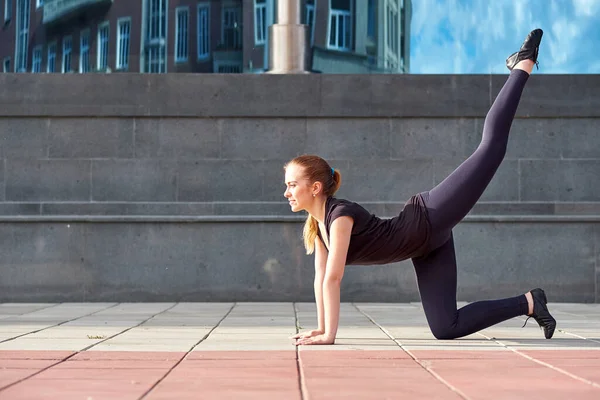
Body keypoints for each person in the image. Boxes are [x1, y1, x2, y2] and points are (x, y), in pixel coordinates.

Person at [284, 29, 557, 346]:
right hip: (425, 247)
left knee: (491, 150)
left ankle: (522, 65)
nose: (287, 192)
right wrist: (319, 328)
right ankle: (530, 302)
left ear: (315, 187)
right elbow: (320, 279)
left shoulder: (339, 216)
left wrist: (330, 335)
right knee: (446, 327)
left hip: (429, 216)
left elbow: (334, 278)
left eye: (292, 184)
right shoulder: (319, 228)